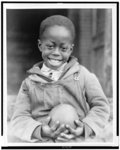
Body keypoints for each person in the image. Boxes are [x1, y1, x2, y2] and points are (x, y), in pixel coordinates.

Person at [9, 15, 110, 143]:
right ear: (40, 45)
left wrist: (84, 128)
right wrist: (40, 130)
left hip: (77, 140)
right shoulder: (29, 83)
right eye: (50, 46)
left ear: (71, 49)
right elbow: (19, 118)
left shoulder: (83, 75)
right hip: (44, 142)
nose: (56, 53)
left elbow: (101, 107)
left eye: (63, 48)